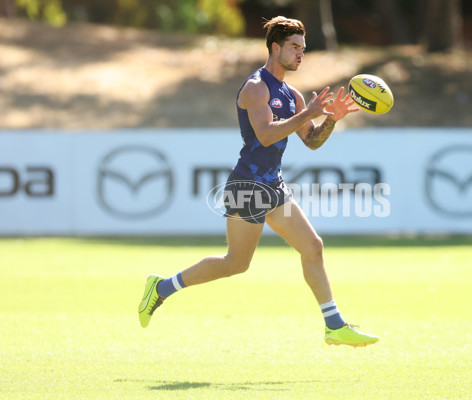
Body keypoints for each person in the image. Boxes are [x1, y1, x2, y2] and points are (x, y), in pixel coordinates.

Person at [138, 16, 379, 347]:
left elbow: (310, 140)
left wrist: (330, 120)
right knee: (236, 263)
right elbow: (265, 136)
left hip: (274, 187)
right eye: (295, 47)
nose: (300, 54)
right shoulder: (255, 87)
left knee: (313, 246)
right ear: (275, 47)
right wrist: (308, 113)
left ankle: (334, 325)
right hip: (247, 186)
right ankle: (161, 287)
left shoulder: (292, 94)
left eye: (303, 49)